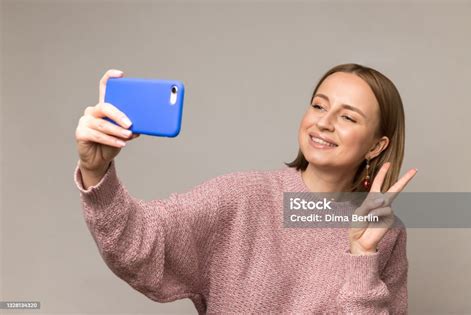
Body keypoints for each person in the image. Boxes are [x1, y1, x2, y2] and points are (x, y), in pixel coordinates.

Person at [74, 63, 417, 314]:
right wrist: (96, 170)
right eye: (319, 105)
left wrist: (361, 258)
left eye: (348, 117)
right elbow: (140, 244)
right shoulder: (240, 197)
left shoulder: (384, 235)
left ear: (376, 146)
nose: (324, 122)